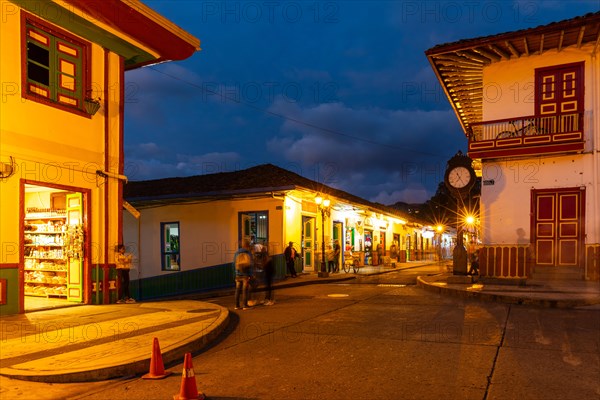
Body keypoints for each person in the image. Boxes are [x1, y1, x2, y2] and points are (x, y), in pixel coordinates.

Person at [234, 239, 254, 310]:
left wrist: (236, 273)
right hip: (245, 275)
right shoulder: (248, 253)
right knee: (244, 290)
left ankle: (237, 306)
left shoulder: (236, 253)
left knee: (237, 290)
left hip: (238, 275)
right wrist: (251, 275)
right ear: (247, 246)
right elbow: (251, 265)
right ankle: (245, 306)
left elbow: (234, 263)